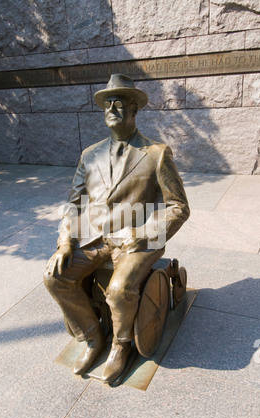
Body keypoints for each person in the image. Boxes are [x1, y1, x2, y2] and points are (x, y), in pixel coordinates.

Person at [44, 74, 190, 384]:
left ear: (135, 108)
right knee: (54, 277)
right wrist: (65, 244)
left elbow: (179, 206)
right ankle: (93, 336)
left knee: (119, 289)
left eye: (120, 103)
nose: (112, 108)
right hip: (94, 235)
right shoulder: (90, 155)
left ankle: (121, 346)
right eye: (107, 104)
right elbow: (74, 205)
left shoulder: (156, 153)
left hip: (138, 239)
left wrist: (145, 233)